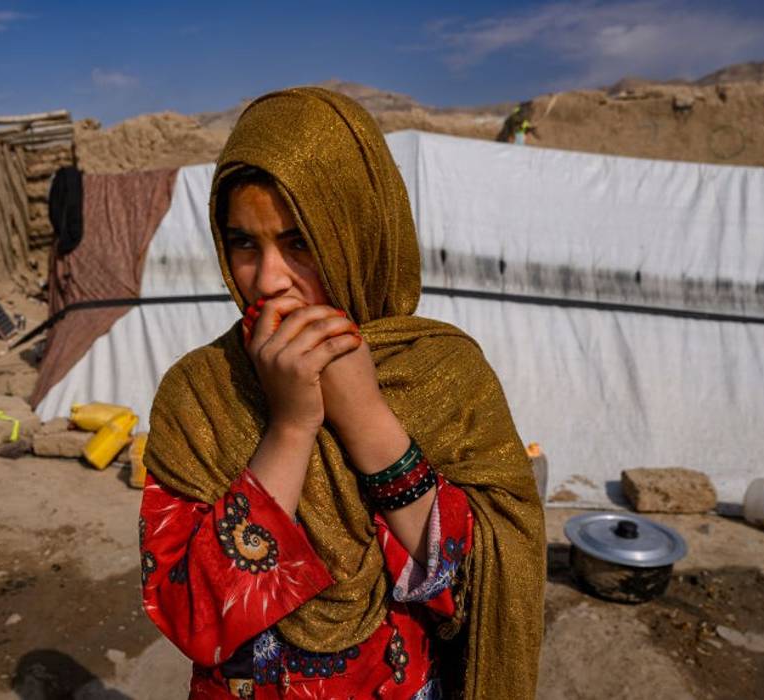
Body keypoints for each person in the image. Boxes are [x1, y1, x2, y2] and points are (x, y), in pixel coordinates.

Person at [139, 87, 545, 699]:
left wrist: (366, 415)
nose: (269, 279)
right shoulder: (200, 393)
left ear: (359, 233)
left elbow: (485, 588)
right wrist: (291, 428)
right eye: (244, 243)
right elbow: (193, 616)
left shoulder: (441, 370)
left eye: (300, 241)